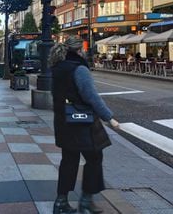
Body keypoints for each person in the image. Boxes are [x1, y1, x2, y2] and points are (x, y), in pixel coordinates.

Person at [49, 36, 119, 214]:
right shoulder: (79, 69)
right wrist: (108, 117)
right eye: (84, 49)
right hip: (82, 122)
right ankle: (86, 201)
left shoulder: (57, 68)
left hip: (63, 121)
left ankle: (61, 202)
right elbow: (91, 96)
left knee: (69, 160)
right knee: (95, 158)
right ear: (79, 50)